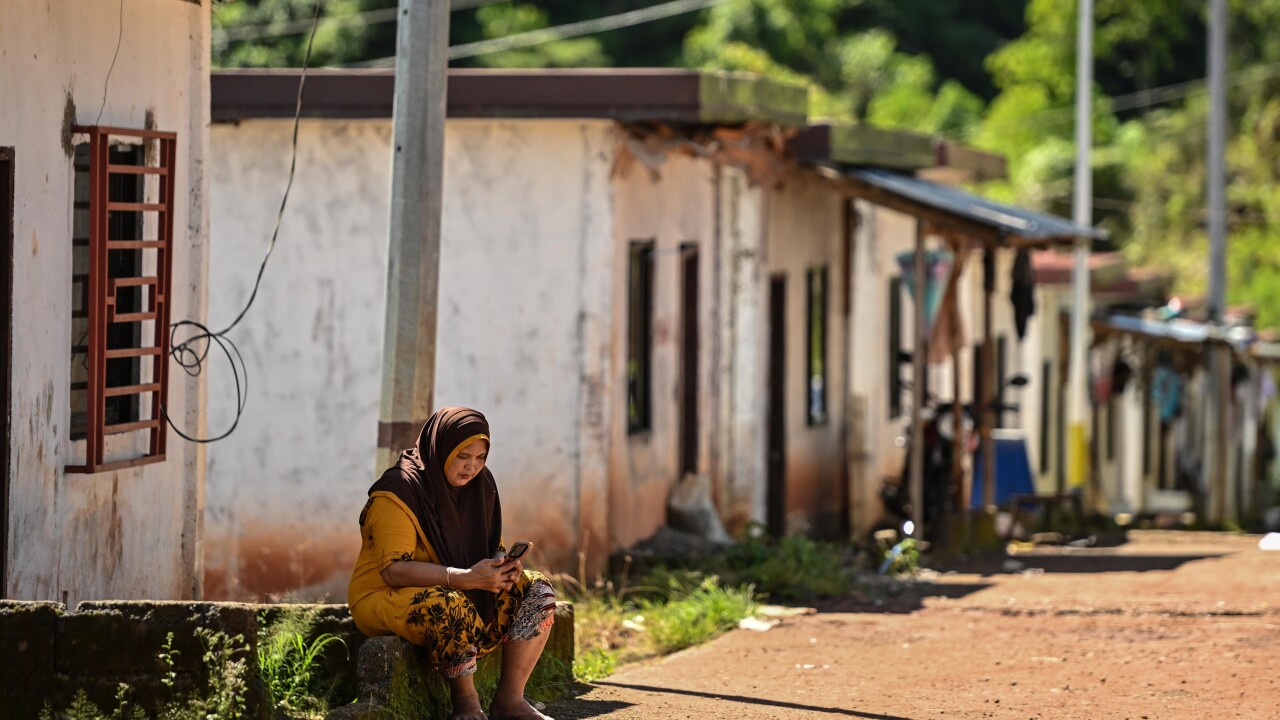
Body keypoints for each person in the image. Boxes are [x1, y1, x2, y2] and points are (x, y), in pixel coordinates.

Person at [348, 407, 557, 720]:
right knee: (448, 604)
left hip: (461, 584)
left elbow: (489, 544)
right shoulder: (399, 491)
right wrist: (466, 578)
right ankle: (467, 704)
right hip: (384, 595)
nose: (472, 466)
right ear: (441, 448)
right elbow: (393, 570)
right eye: (463, 456)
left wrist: (501, 566)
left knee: (537, 589)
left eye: (481, 457)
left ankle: (510, 700)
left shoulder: (480, 485)